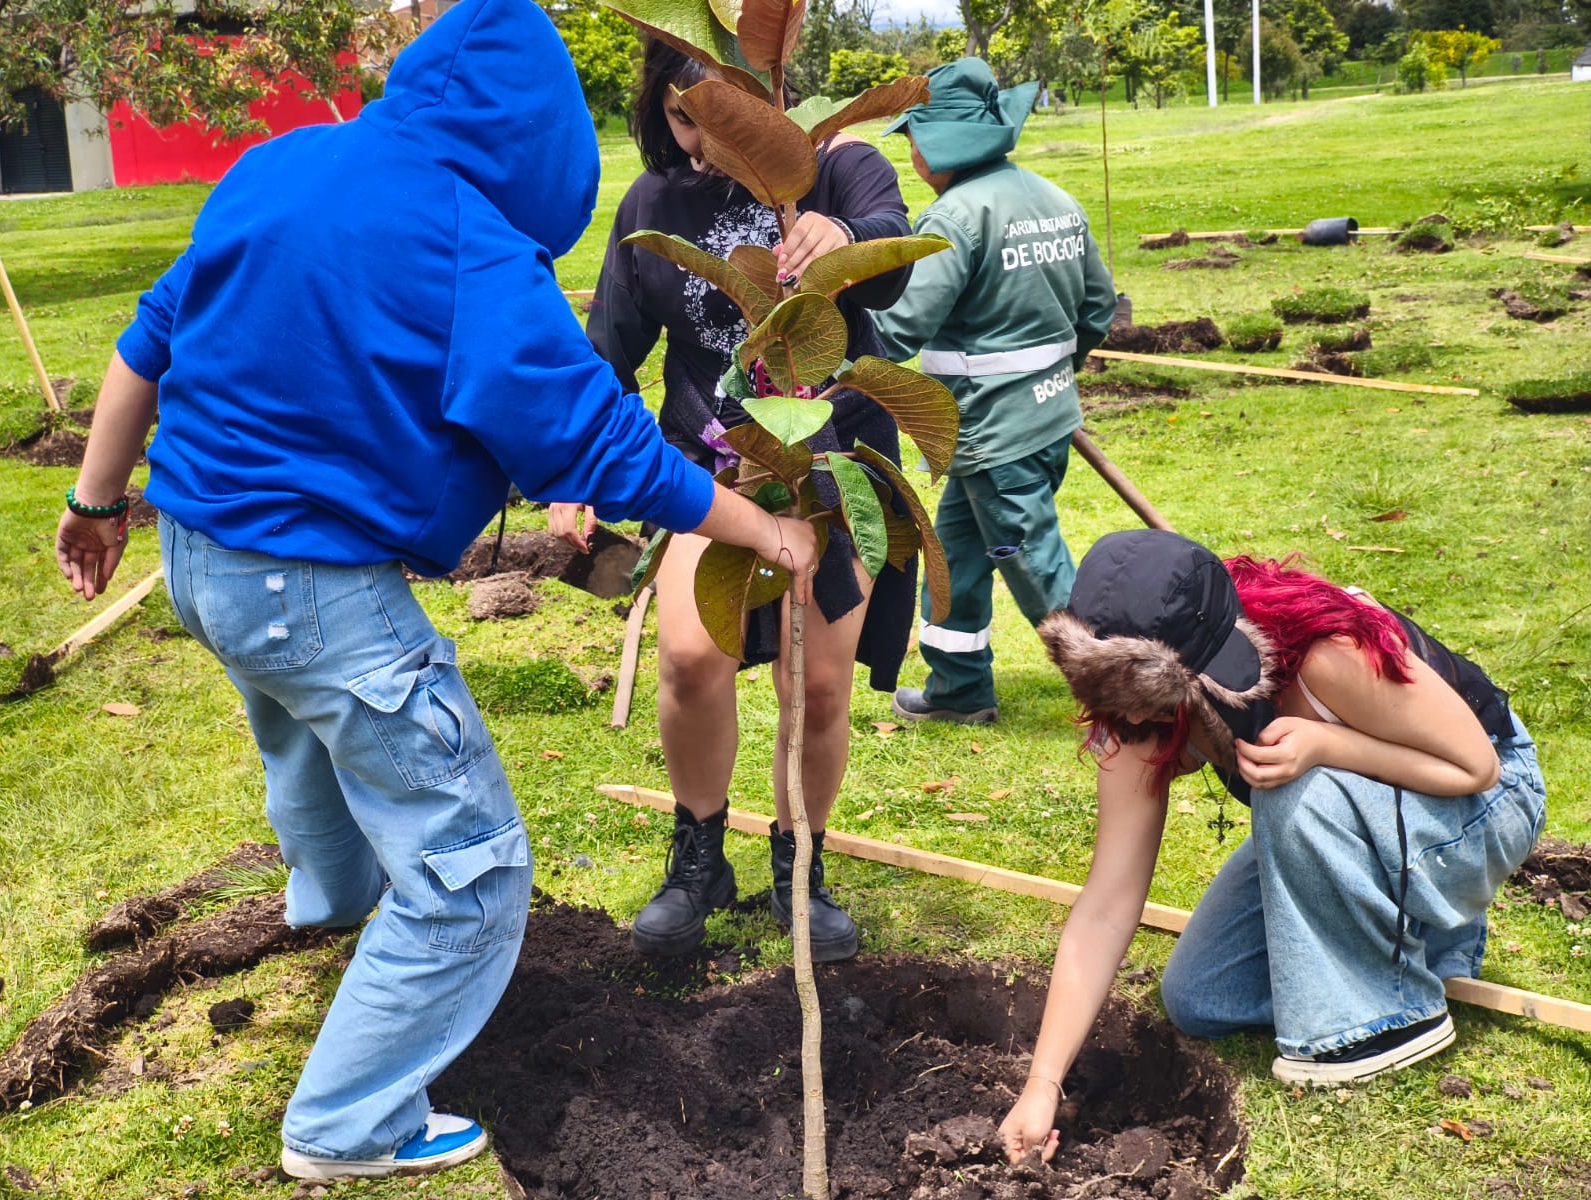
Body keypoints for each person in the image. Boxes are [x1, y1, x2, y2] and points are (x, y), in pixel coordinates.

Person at [53, 0, 816, 1181]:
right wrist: (759, 523)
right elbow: (595, 441)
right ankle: (348, 1121)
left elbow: (149, 338)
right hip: (312, 584)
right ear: (537, 141)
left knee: (303, 732)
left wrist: (96, 503)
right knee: (472, 864)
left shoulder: (280, 164)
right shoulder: (469, 246)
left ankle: (331, 902)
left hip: (196, 557)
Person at [999, 529, 1546, 1162]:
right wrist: (1042, 1084)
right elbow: (1106, 903)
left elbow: (1477, 767)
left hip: (1485, 803)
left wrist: (1328, 745)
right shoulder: (1128, 710)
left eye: (1152, 698)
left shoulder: (1324, 654)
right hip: (1366, 811)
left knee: (1293, 791)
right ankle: (1417, 928)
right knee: (1202, 998)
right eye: (1119, 698)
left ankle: (1388, 1016)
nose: (1140, 719)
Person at [548, 40, 917, 965]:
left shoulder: (836, 164)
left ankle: (800, 867)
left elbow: (892, 251)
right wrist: (571, 467)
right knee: (687, 659)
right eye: (684, 119)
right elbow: (608, 347)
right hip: (704, 469)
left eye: (723, 116)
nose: (705, 141)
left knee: (818, 685)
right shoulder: (652, 205)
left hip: (831, 467)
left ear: (764, 97)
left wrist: (843, 236)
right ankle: (698, 857)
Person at [871, 58, 1116, 727]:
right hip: (1044, 420)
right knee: (955, 554)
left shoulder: (954, 218)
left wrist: (826, 328)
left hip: (993, 433)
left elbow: (898, 328)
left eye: (914, 137)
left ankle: (1120, 690)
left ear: (939, 142)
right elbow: (1098, 308)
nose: (911, 152)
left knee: (1034, 563)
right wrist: (1050, 376)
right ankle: (959, 687)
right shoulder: (1054, 198)